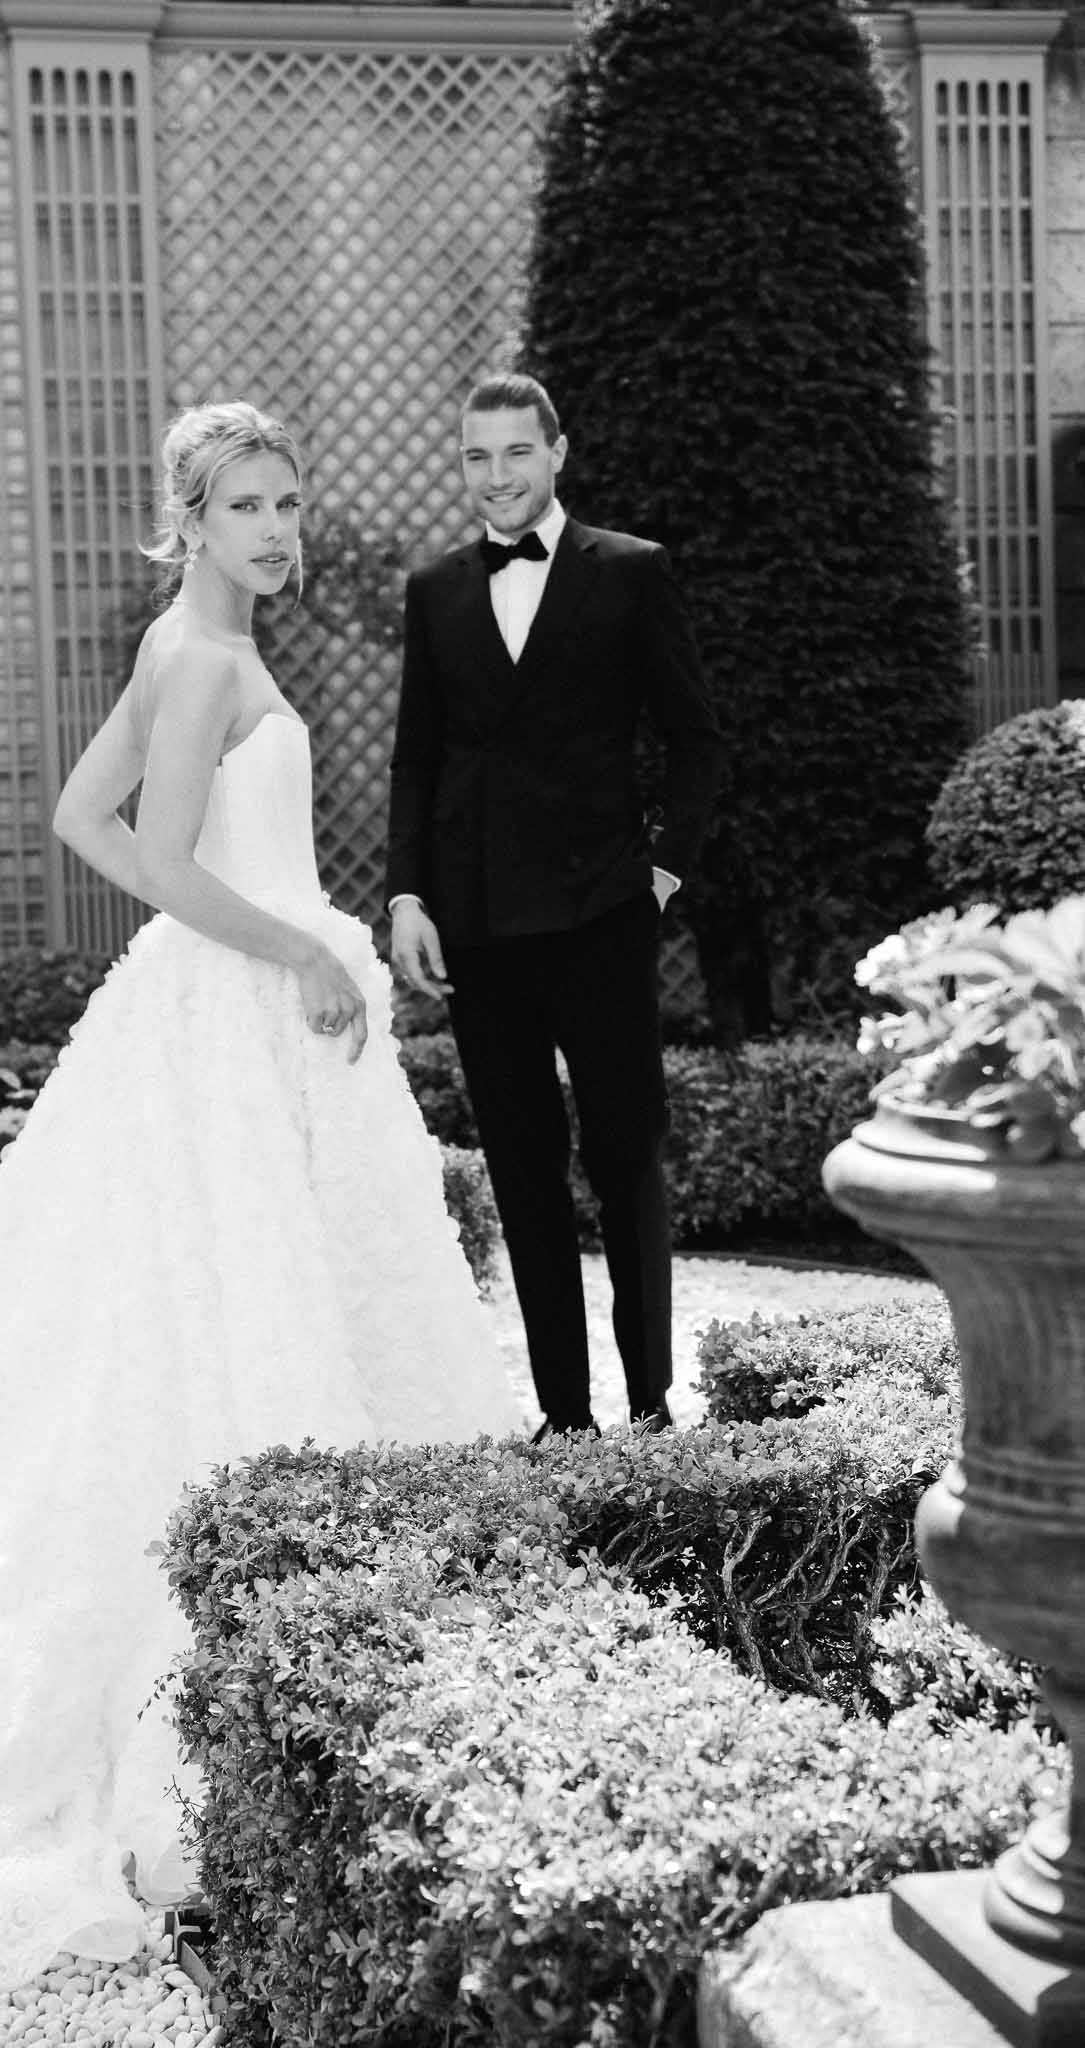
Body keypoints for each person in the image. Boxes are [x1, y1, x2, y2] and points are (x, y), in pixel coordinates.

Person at [0, 401, 521, 1995]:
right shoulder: (205, 660)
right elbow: (153, 851)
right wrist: (298, 942)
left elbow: (83, 823)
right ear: (192, 519)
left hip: (232, 1015)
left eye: (292, 501)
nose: (279, 531)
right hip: (244, 1008)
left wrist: (287, 937)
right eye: (246, 507)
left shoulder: (185, 649)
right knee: (234, 1318)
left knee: (240, 1305)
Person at [387, 372, 724, 1440]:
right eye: (476, 456)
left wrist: (661, 875)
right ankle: (565, 1414)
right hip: (480, 929)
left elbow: (700, 741)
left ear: (557, 452)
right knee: (524, 1168)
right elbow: (417, 760)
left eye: (515, 452)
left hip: (601, 916)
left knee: (627, 1155)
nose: (497, 475)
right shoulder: (435, 588)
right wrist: (405, 893)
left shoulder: (630, 574)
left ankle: (652, 1400)